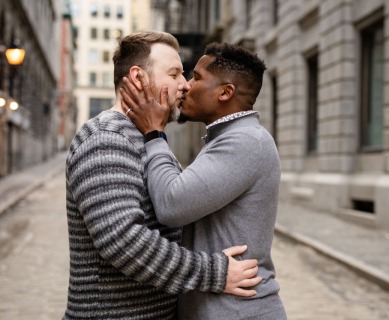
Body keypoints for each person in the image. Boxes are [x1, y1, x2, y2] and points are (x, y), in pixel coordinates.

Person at [64, 32, 261, 320]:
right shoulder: (106, 139)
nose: (185, 85)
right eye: (174, 74)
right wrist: (215, 272)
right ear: (138, 78)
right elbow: (124, 242)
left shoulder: (147, 138)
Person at [120, 42, 287, 319]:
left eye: (196, 77)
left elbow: (171, 204)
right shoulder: (229, 137)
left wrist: (154, 133)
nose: (186, 86)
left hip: (238, 311)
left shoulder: (244, 141)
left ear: (225, 92)